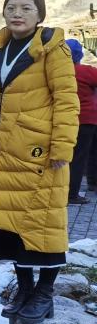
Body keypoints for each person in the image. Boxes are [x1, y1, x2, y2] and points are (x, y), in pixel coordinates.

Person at [0, 0, 78, 324]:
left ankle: (44, 294)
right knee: (11, 224)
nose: (17, 14)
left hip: (41, 156)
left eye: (26, 8)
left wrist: (62, 146)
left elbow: (66, 100)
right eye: (11, 8)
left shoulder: (52, 49)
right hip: (6, 155)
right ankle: (24, 288)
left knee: (43, 224)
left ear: (40, 14)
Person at [66, 38, 97, 204]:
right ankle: (73, 193)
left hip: (64, 120)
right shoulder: (85, 71)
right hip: (86, 120)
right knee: (82, 156)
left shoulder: (57, 73)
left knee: (66, 156)